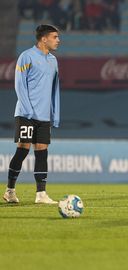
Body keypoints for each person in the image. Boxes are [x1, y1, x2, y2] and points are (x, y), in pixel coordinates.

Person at [3, 24, 61, 204]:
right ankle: (10, 191)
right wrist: (28, 110)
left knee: (42, 152)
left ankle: (41, 194)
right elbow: (19, 85)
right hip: (26, 113)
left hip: (44, 116)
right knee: (22, 150)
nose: (58, 40)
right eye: (54, 37)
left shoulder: (53, 60)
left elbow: (55, 89)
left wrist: (54, 112)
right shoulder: (26, 57)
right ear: (44, 39)